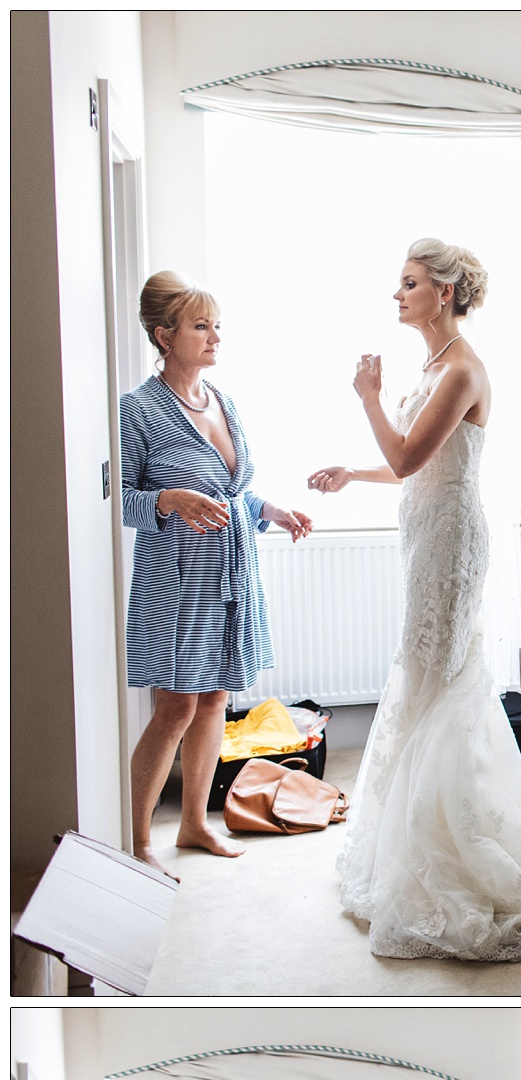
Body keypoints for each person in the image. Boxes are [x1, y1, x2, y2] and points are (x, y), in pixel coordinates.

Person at [308, 240, 521, 963]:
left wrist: (368, 401)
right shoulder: (432, 365)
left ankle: (457, 849)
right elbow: (413, 463)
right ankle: (411, 839)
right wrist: (353, 474)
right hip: (426, 534)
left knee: (442, 679)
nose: (398, 293)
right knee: (426, 676)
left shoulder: (464, 369)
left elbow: (412, 457)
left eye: (409, 283)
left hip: (450, 544)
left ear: (443, 292)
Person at [120, 273, 312, 878]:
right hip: (176, 578)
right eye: (201, 326)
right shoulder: (138, 410)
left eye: (216, 325)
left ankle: (197, 824)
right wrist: (167, 501)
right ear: (164, 335)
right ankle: (138, 841)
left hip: (232, 572)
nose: (214, 336)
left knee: (216, 701)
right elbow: (118, 498)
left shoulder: (223, 402)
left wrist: (271, 510)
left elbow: (235, 491)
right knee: (174, 709)